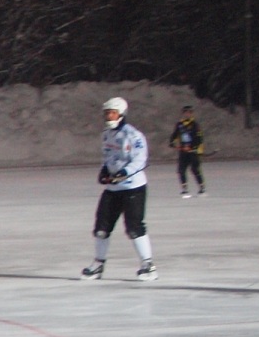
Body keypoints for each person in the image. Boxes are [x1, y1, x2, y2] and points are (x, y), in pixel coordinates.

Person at [82, 96, 157, 280]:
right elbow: (108, 157)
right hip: (113, 189)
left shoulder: (134, 136)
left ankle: (148, 265)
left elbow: (140, 160)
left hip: (133, 188)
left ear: (121, 114)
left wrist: (124, 172)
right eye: (106, 113)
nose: (109, 116)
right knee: (101, 228)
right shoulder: (107, 135)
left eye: (112, 113)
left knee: (134, 227)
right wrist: (105, 171)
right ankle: (98, 264)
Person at [169, 104, 206, 198]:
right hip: (183, 152)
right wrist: (172, 143)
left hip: (193, 151)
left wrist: (193, 147)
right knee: (181, 170)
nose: (187, 114)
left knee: (195, 170)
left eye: (189, 113)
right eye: (185, 113)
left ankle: (202, 188)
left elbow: (199, 138)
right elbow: (174, 135)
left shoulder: (195, 125)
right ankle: (184, 189)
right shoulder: (179, 124)